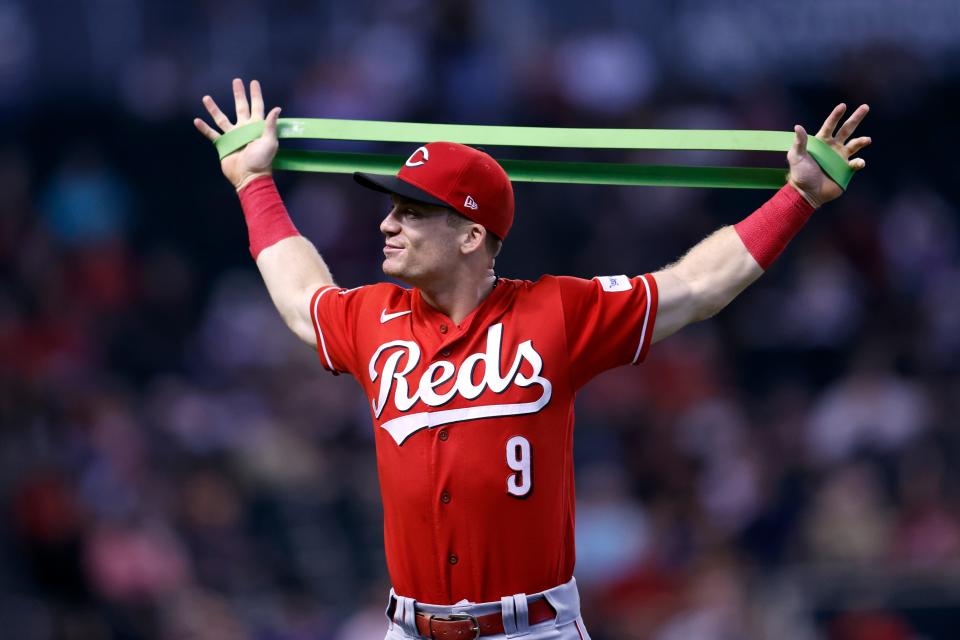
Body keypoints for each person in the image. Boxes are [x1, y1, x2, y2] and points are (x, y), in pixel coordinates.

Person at [194, 78, 871, 639]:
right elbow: (300, 295)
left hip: (531, 630)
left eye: (410, 211)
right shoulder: (375, 318)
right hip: (409, 627)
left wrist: (799, 198)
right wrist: (252, 183)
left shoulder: (555, 313)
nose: (386, 223)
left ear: (469, 234)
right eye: (392, 208)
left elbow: (694, 288)